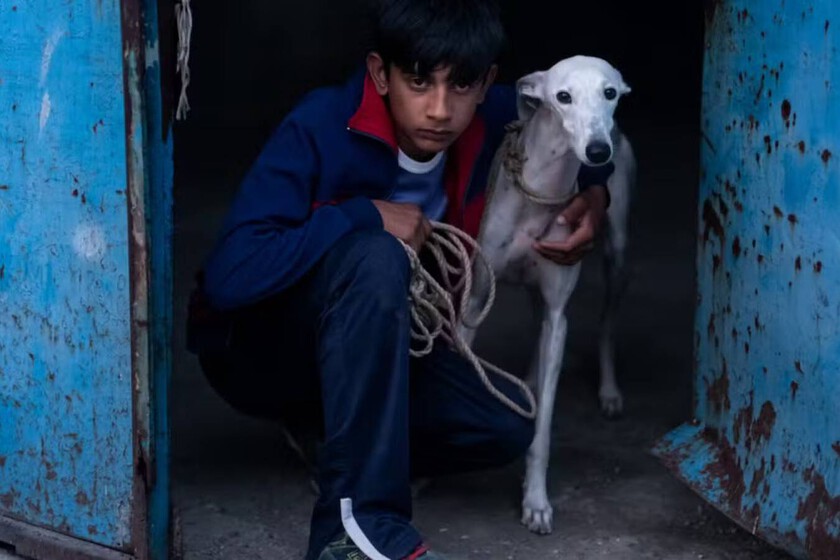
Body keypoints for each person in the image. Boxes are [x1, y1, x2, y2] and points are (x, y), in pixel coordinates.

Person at [187, 0, 614, 558]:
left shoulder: (496, 117)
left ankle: (324, 429)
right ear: (378, 74)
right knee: (375, 255)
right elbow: (227, 277)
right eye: (417, 81)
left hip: (374, 346)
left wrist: (596, 189)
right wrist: (363, 215)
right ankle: (356, 529)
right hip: (260, 353)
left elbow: (578, 108)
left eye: (460, 85)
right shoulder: (320, 124)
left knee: (503, 426)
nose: (440, 108)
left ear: (487, 85)